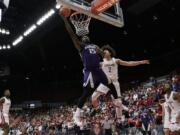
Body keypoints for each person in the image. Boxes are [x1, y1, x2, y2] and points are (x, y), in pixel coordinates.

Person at [61, 16, 110, 126]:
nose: (85, 37)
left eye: (86, 37)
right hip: (89, 71)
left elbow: (105, 55)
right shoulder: (81, 46)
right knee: (86, 92)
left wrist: (102, 52)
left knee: (108, 82)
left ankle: (96, 97)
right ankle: (76, 114)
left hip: (98, 70)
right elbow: (72, 35)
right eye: (83, 37)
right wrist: (65, 20)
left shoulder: (95, 46)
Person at [91, 45, 150, 119]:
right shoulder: (101, 63)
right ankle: (97, 109)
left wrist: (141, 62)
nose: (104, 52)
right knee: (93, 97)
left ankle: (120, 118)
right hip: (105, 82)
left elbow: (129, 63)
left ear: (110, 53)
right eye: (103, 52)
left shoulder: (116, 60)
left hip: (114, 82)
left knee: (118, 103)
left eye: (106, 51)